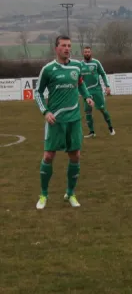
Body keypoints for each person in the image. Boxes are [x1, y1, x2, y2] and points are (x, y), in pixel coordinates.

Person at [34, 35, 94, 210]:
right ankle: (43, 194)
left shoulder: (77, 66)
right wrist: (45, 111)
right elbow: (38, 93)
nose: (67, 48)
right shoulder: (48, 69)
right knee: (48, 156)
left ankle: (70, 193)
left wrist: (88, 96)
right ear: (56, 48)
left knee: (75, 155)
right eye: (63, 45)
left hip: (74, 120)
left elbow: (80, 83)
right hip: (55, 121)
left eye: (69, 45)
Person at [80, 46, 115, 138]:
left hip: (97, 90)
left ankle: (111, 128)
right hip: (86, 92)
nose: (87, 53)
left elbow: (103, 73)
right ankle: (92, 132)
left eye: (88, 52)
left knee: (102, 109)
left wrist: (107, 86)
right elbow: (79, 79)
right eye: (85, 52)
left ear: (91, 53)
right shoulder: (80, 65)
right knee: (88, 111)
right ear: (83, 53)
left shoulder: (96, 63)